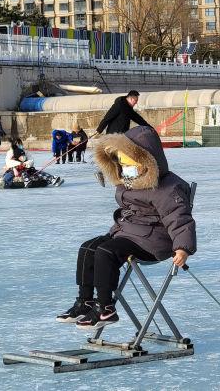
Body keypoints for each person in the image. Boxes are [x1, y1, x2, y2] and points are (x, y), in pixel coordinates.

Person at [56, 126, 196, 330]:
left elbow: (180, 219)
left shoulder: (168, 188)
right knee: (87, 248)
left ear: (147, 160)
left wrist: (183, 248)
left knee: (106, 252)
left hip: (154, 241)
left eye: (129, 163)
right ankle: (85, 301)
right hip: (127, 232)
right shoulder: (129, 181)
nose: (124, 167)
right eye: (121, 162)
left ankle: (105, 308)